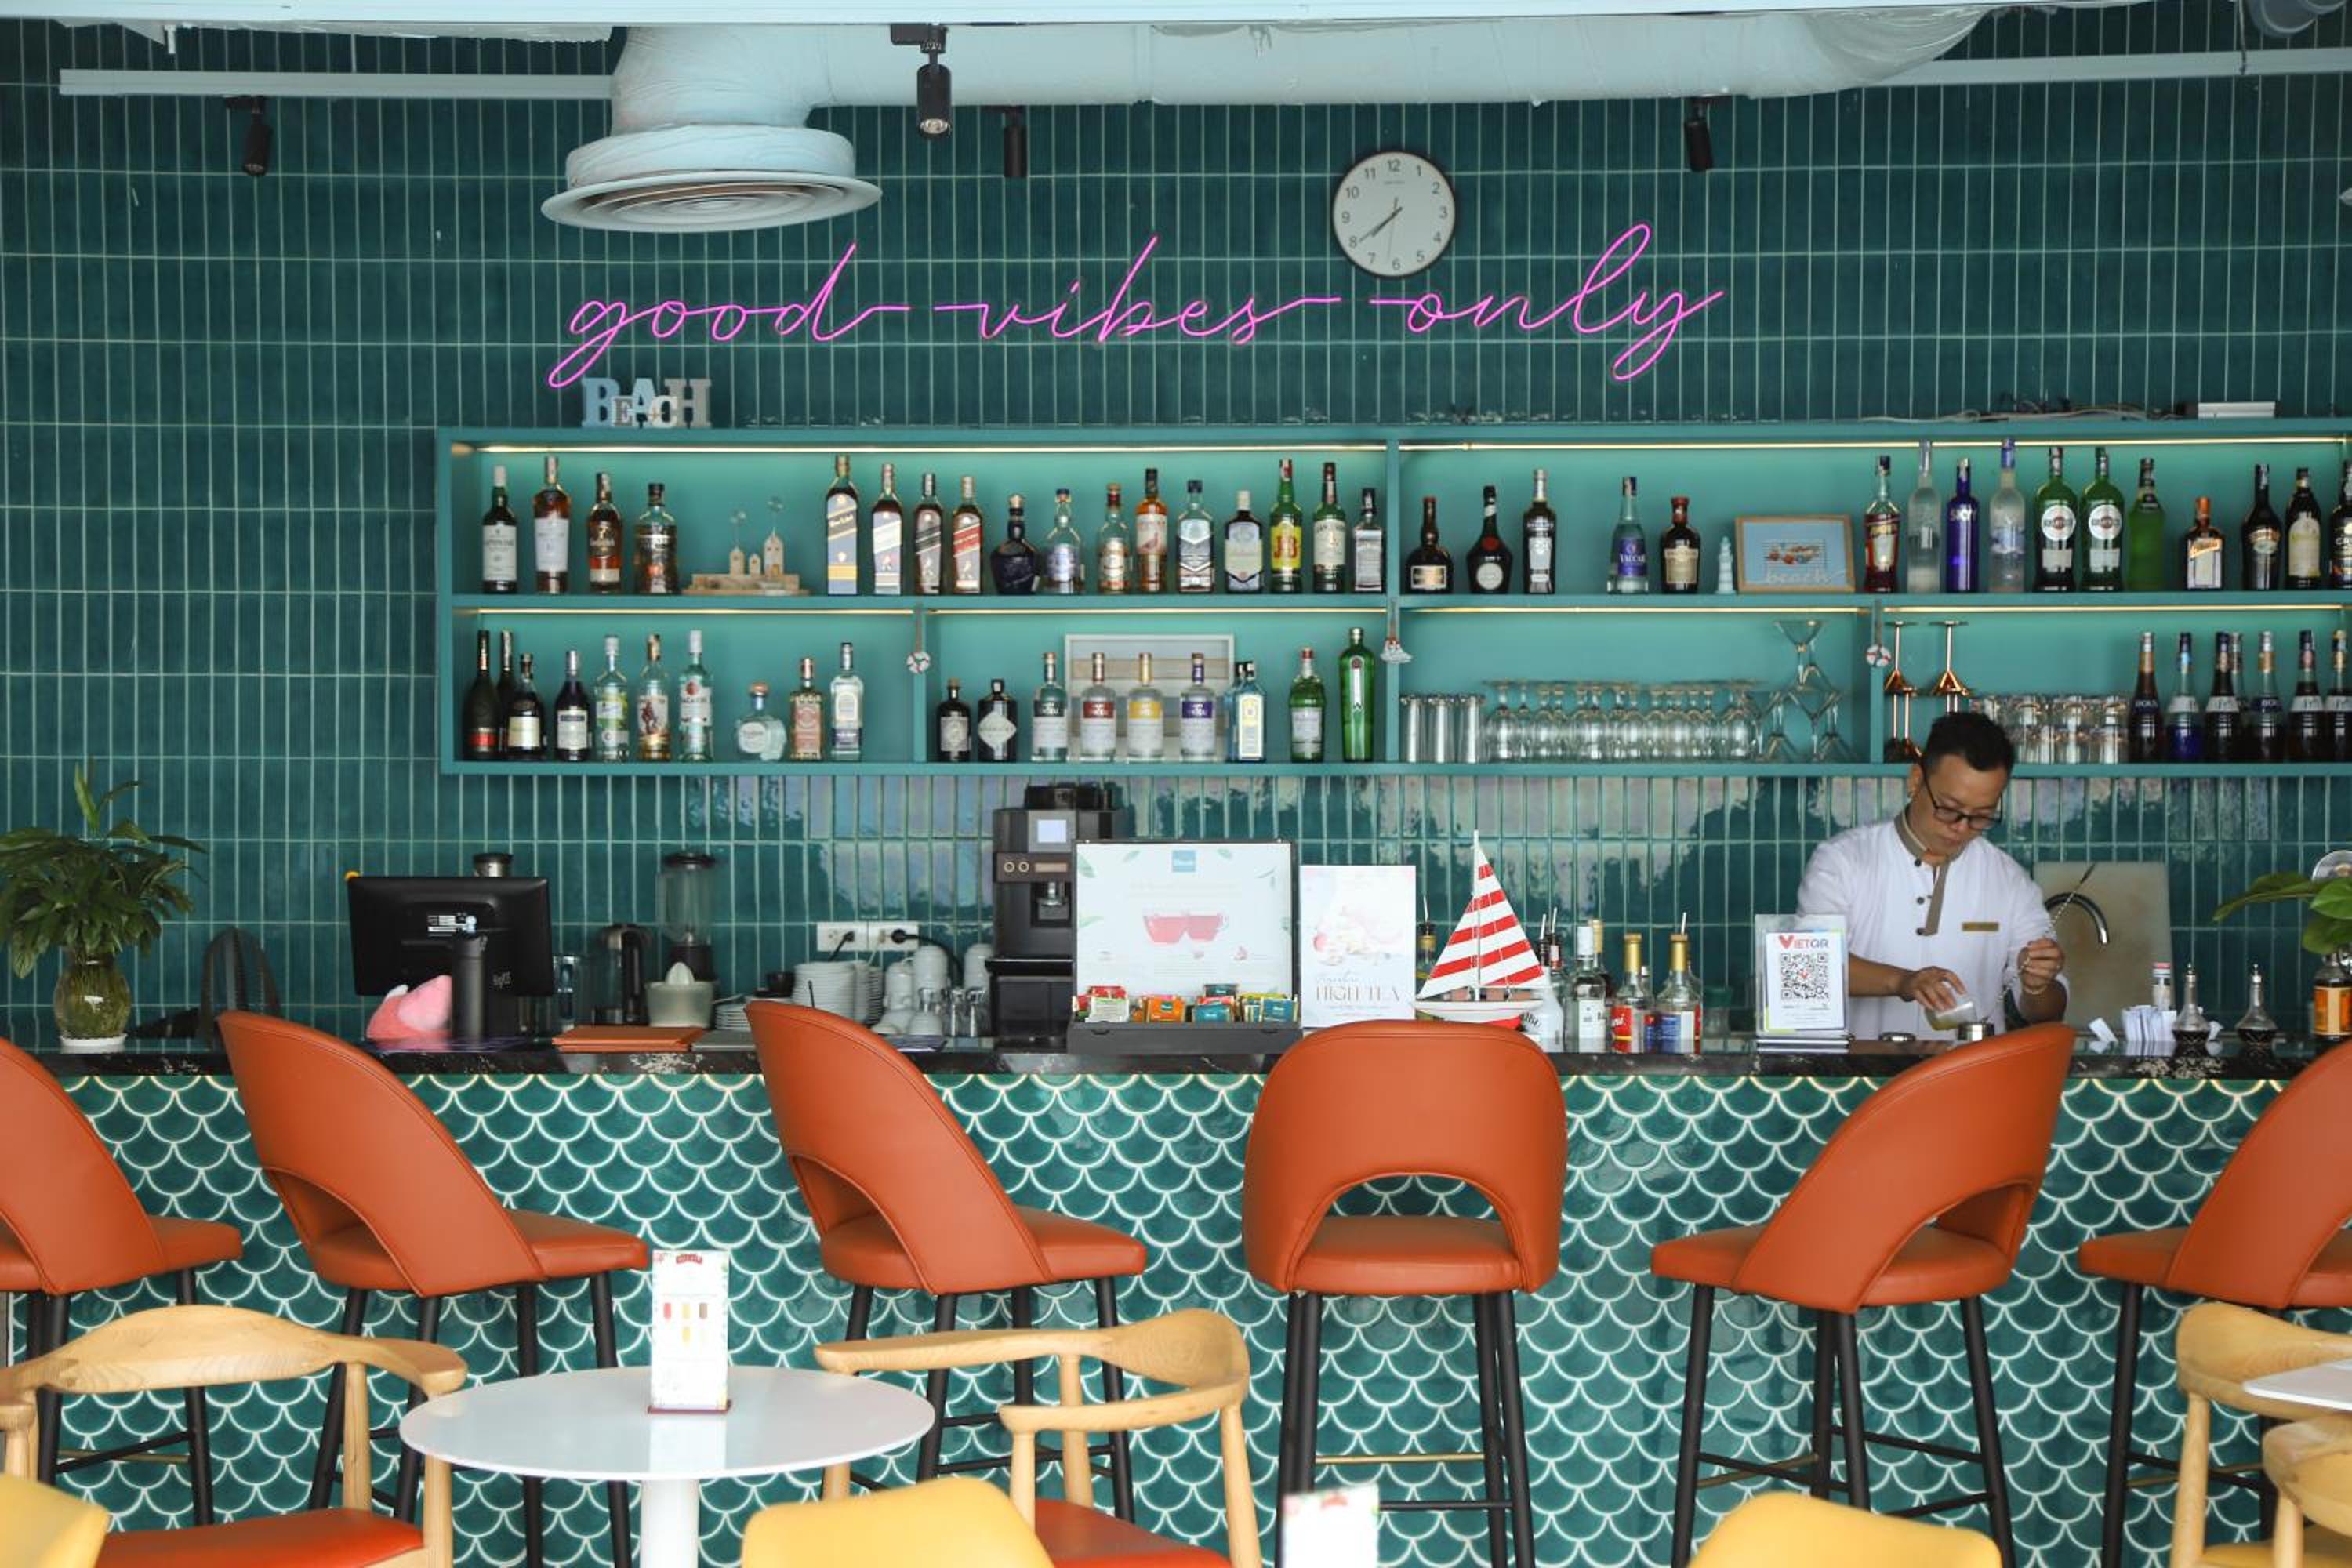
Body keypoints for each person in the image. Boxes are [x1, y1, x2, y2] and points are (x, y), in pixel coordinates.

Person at [1796, 711, 2065, 1041]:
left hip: (1971, 1070)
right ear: (1916, 781)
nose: (1961, 828)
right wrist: (1903, 982)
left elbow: (2048, 1012)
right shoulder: (1843, 860)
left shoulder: (2008, 880)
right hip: (1860, 1069)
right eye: (1949, 809)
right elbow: (1811, 970)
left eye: (1981, 816)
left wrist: (2037, 985)